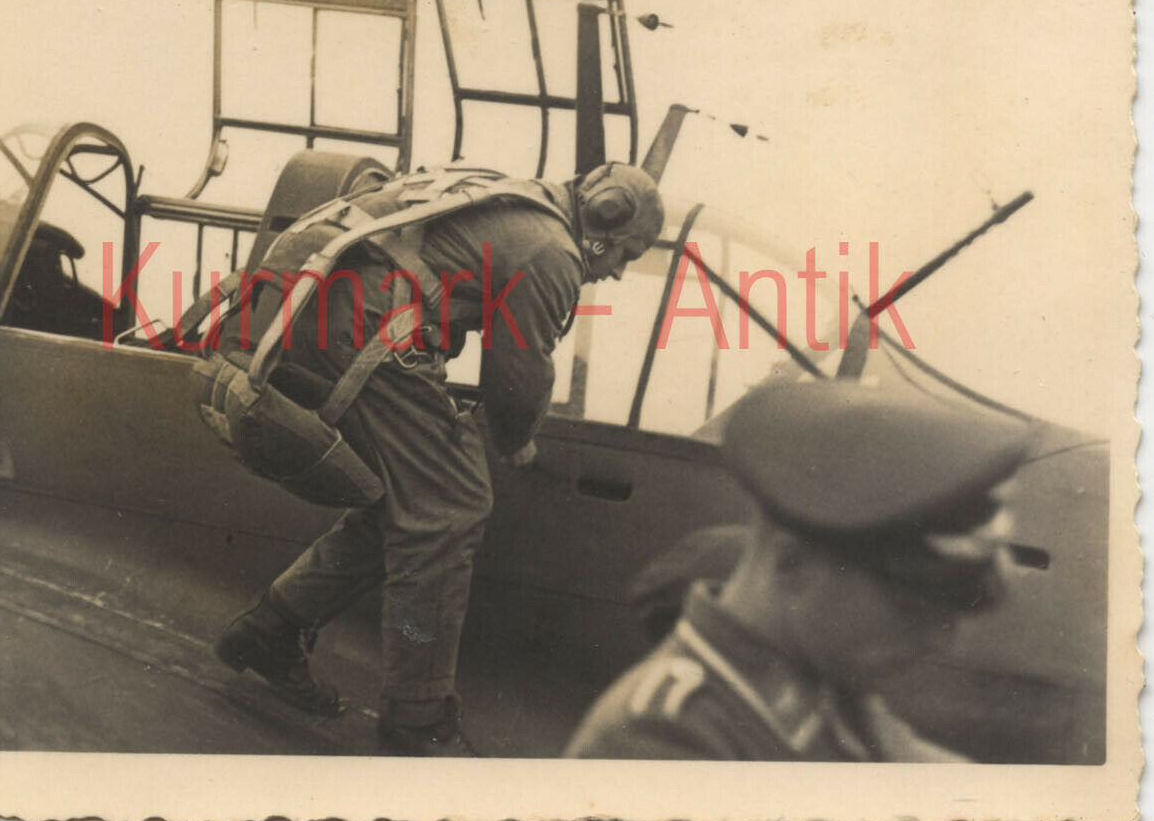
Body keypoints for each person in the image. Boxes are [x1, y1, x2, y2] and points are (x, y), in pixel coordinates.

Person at [214, 161, 664, 755]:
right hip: (358, 334)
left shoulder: (516, 198)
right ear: (606, 219)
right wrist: (516, 437)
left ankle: (270, 631)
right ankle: (416, 715)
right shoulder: (553, 250)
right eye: (626, 253)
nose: (619, 271)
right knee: (450, 506)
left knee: (411, 501)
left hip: (309, 318)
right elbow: (519, 372)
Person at [565, 380, 1033, 761]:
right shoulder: (661, 739)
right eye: (912, 609)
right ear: (793, 563)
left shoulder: (823, 669)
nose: (940, 641)